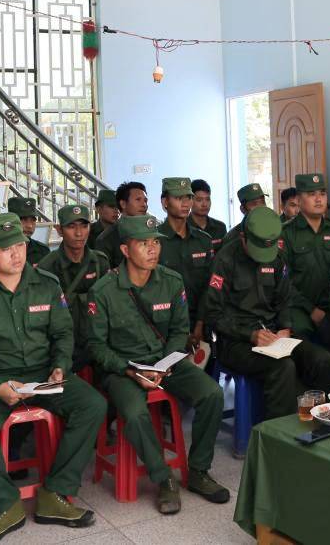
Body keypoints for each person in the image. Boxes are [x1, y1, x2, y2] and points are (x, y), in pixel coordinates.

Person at [0, 213, 105, 542]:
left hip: (43, 374)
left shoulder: (47, 284)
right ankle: (7, 503)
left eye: (19, 244)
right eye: (6, 248)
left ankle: (55, 493)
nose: (16, 254)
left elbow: (64, 333)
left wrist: (61, 365)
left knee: (92, 404)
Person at [86, 214, 230, 514]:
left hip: (165, 362)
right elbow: (96, 346)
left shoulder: (171, 281)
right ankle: (163, 478)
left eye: (155, 243)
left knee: (212, 394)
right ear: (125, 250)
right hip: (123, 369)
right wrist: (131, 370)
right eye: (143, 244)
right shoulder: (103, 291)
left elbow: (180, 329)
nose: (153, 249)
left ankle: (199, 472)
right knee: (135, 412)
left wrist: (165, 363)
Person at [203, 207, 330, 421]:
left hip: (275, 335)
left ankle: (326, 420)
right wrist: (250, 335)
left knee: (322, 360)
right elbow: (212, 314)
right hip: (235, 342)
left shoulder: (277, 257)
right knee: (283, 367)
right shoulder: (225, 260)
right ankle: (280, 435)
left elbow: (284, 299)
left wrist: (285, 327)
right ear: (242, 237)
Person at [39, 204, 111, 372]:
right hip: (63, 346)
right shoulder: (47, 267)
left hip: (97, 341)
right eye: (71, 226)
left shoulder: (100, 262)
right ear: (59, 230)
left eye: (84, 226)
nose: (79, 233)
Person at [280, 172, 330, 352]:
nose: (318, 199)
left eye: (322, 194)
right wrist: (311, 310)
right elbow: (283, 282)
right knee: (301, 334)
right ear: (299, 201)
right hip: (300, 306)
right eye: (311, 194)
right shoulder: (286, 234)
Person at [156, 177, 216, 351]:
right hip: (164, 326)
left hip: (200, 322)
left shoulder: (203, 240)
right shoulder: (154, 241)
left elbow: (208, 286)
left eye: (188, 197)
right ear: (164, 202)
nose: (185, 203)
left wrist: (199, 324)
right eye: (178, 198)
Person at [94, 181, 149, 266]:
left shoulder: (151, 233)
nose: (144, 205)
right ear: (123, 204)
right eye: (138, 200)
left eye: (145, 200)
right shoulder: (106, 239)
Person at [7, 196, 51, 265]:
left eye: (33, 220)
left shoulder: (42, 250)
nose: (29, 226)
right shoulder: (0, 250)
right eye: (23, 219)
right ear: (10, 220)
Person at [189, 179, 228, 250]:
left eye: (207, 199)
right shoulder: (182, 227)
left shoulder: (220, 227)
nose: (204, 204)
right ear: (189, 202)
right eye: (199, 200)